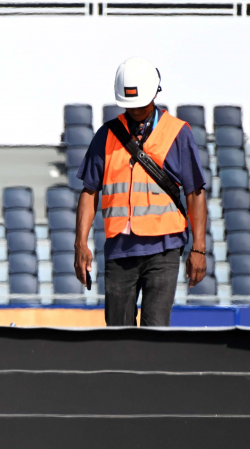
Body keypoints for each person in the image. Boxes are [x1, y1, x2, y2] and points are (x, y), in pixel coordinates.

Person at [72, 57, 208, 327]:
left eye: (140, 103)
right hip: (119, 251)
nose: (134, 109)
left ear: (155, 92)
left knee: (155, 331)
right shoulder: (106, 134)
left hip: (164, 250)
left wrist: (199, 249)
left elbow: (196, 193)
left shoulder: (178, 133)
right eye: (128, 104)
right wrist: (80, 244)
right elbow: (89, 192)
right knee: (117, 335)